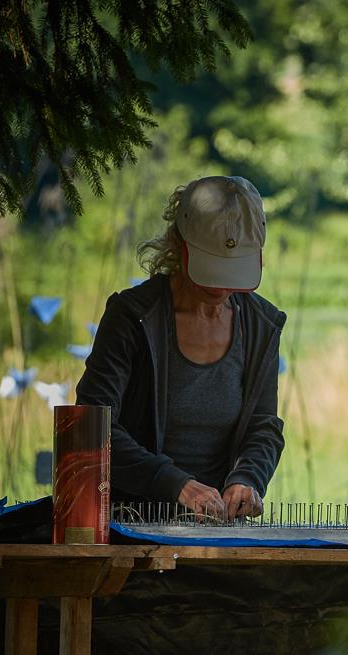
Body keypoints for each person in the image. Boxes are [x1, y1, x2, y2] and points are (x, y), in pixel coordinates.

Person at [77, 176, 285, 519]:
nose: (220, 285)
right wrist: (175, 484)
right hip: (129, 521)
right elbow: (91, 425)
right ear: (179, 244)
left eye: (231, 270)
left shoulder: (261, 325)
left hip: (218, 528)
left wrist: (248, 479)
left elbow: (263, 425)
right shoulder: (132, 317)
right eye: (211, 267)